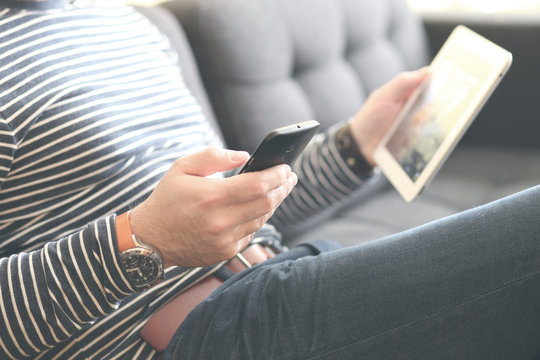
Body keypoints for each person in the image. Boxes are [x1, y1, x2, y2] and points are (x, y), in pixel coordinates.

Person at [1, 1, 540, 359]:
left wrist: (357, 146)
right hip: (203, 336)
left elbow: (230, 207)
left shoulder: (123, 21)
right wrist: (143, 241)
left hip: (291, 270)